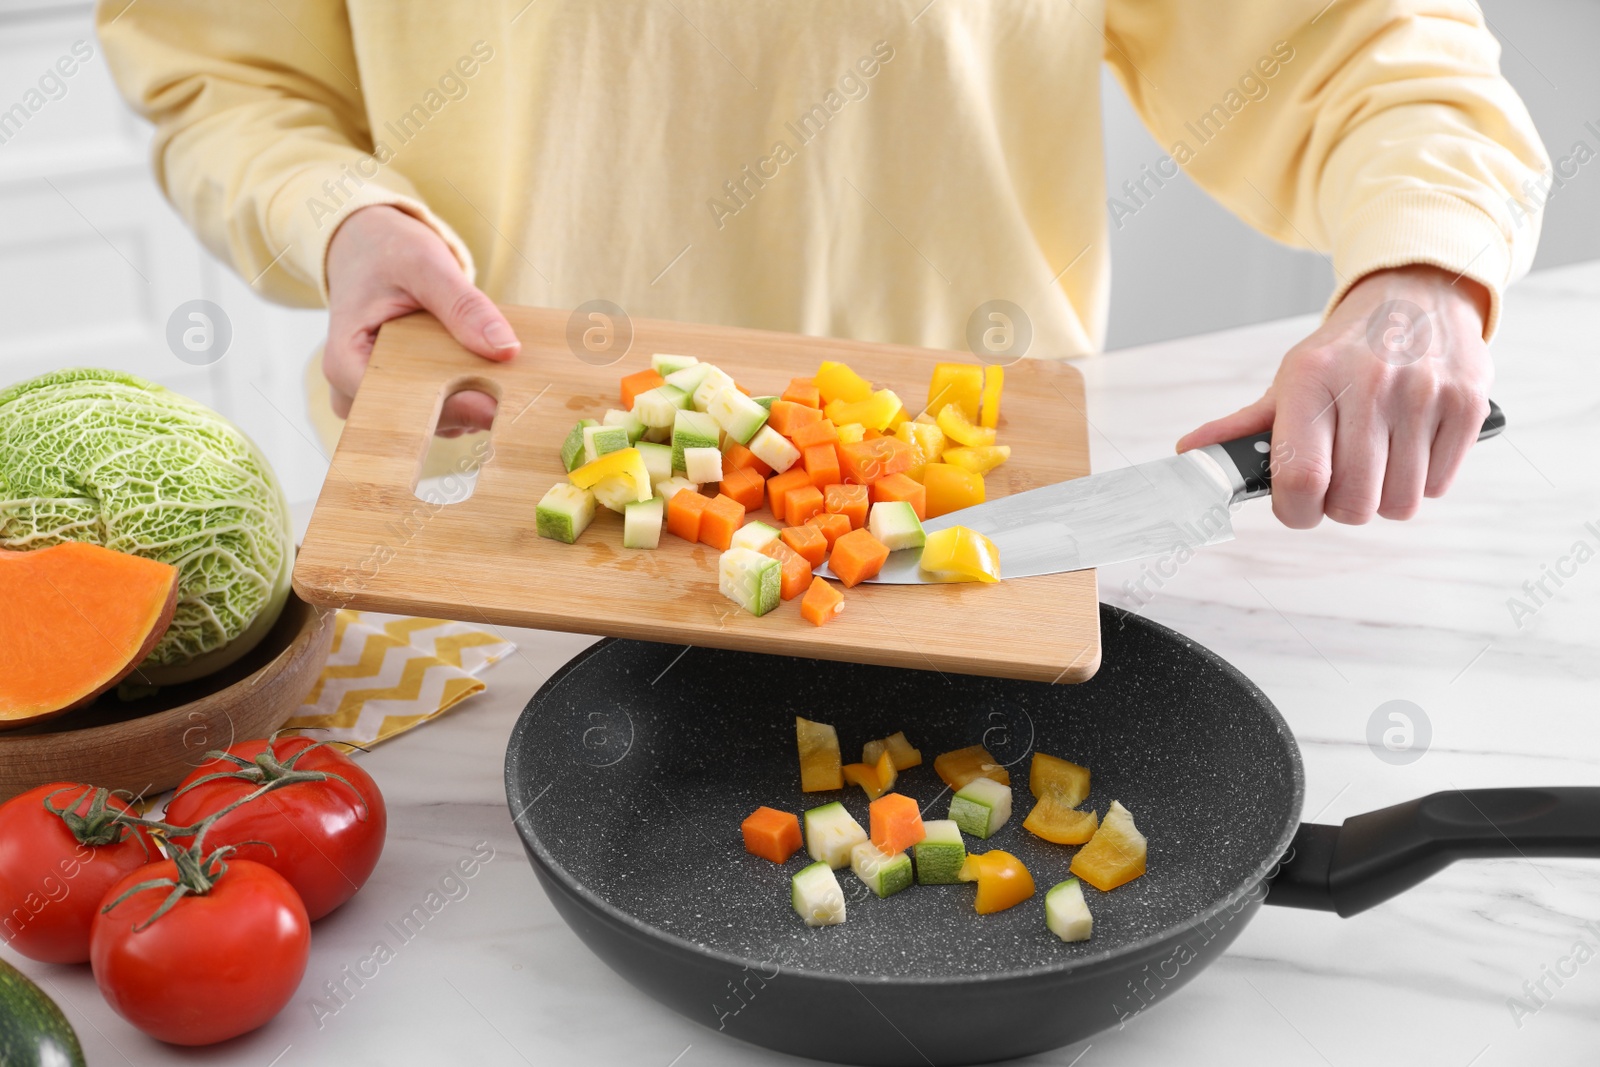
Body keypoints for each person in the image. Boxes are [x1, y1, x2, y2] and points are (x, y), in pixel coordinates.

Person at [98, 0, 1547, 528]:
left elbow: (1363, 39)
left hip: (967, 538)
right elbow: (223, 76)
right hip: (485, 528)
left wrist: (1421, 269)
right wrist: (341, 211)